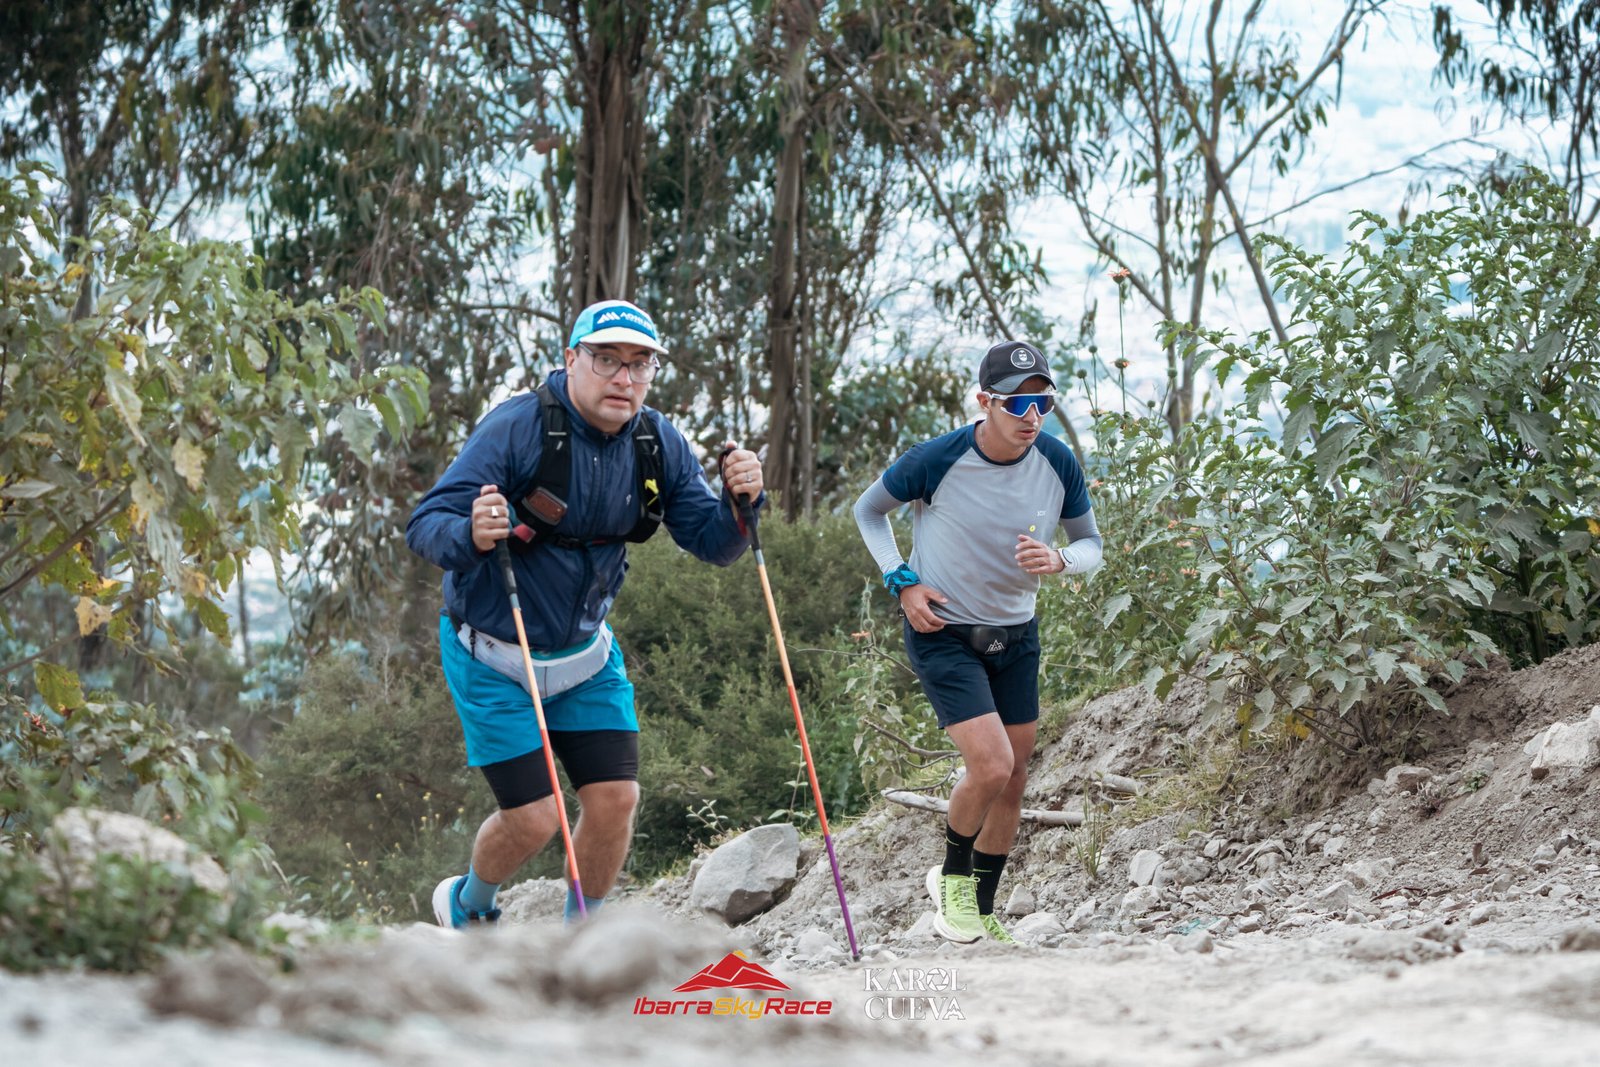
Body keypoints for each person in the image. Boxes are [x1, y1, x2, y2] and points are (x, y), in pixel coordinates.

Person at [405, 299, 765, 929]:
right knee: (534, 820)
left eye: (640, 364)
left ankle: (582, 938)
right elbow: (426, 524)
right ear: (571, 359)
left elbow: (712, 544)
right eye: (607, 360)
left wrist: (742, 505)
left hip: (586, 656)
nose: (624, 378)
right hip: (493, 654)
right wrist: (471, 531)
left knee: (616, 800)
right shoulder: (517, 427)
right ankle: (467, 905)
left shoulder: (657, 442)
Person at [852, 340, 1103, 943]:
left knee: (1014, 778)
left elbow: (1091, 544)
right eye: (1017, 403)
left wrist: (1060, 560)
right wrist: (901, 582)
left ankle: (983, 912)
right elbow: (868, 511)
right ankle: (952, 879)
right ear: (984, 401)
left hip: (1017, 634)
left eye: (1043, 403)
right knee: (990, 766)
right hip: (943, 631)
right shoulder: (936, 459)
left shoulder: (1057, 461)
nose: (1032, 417)